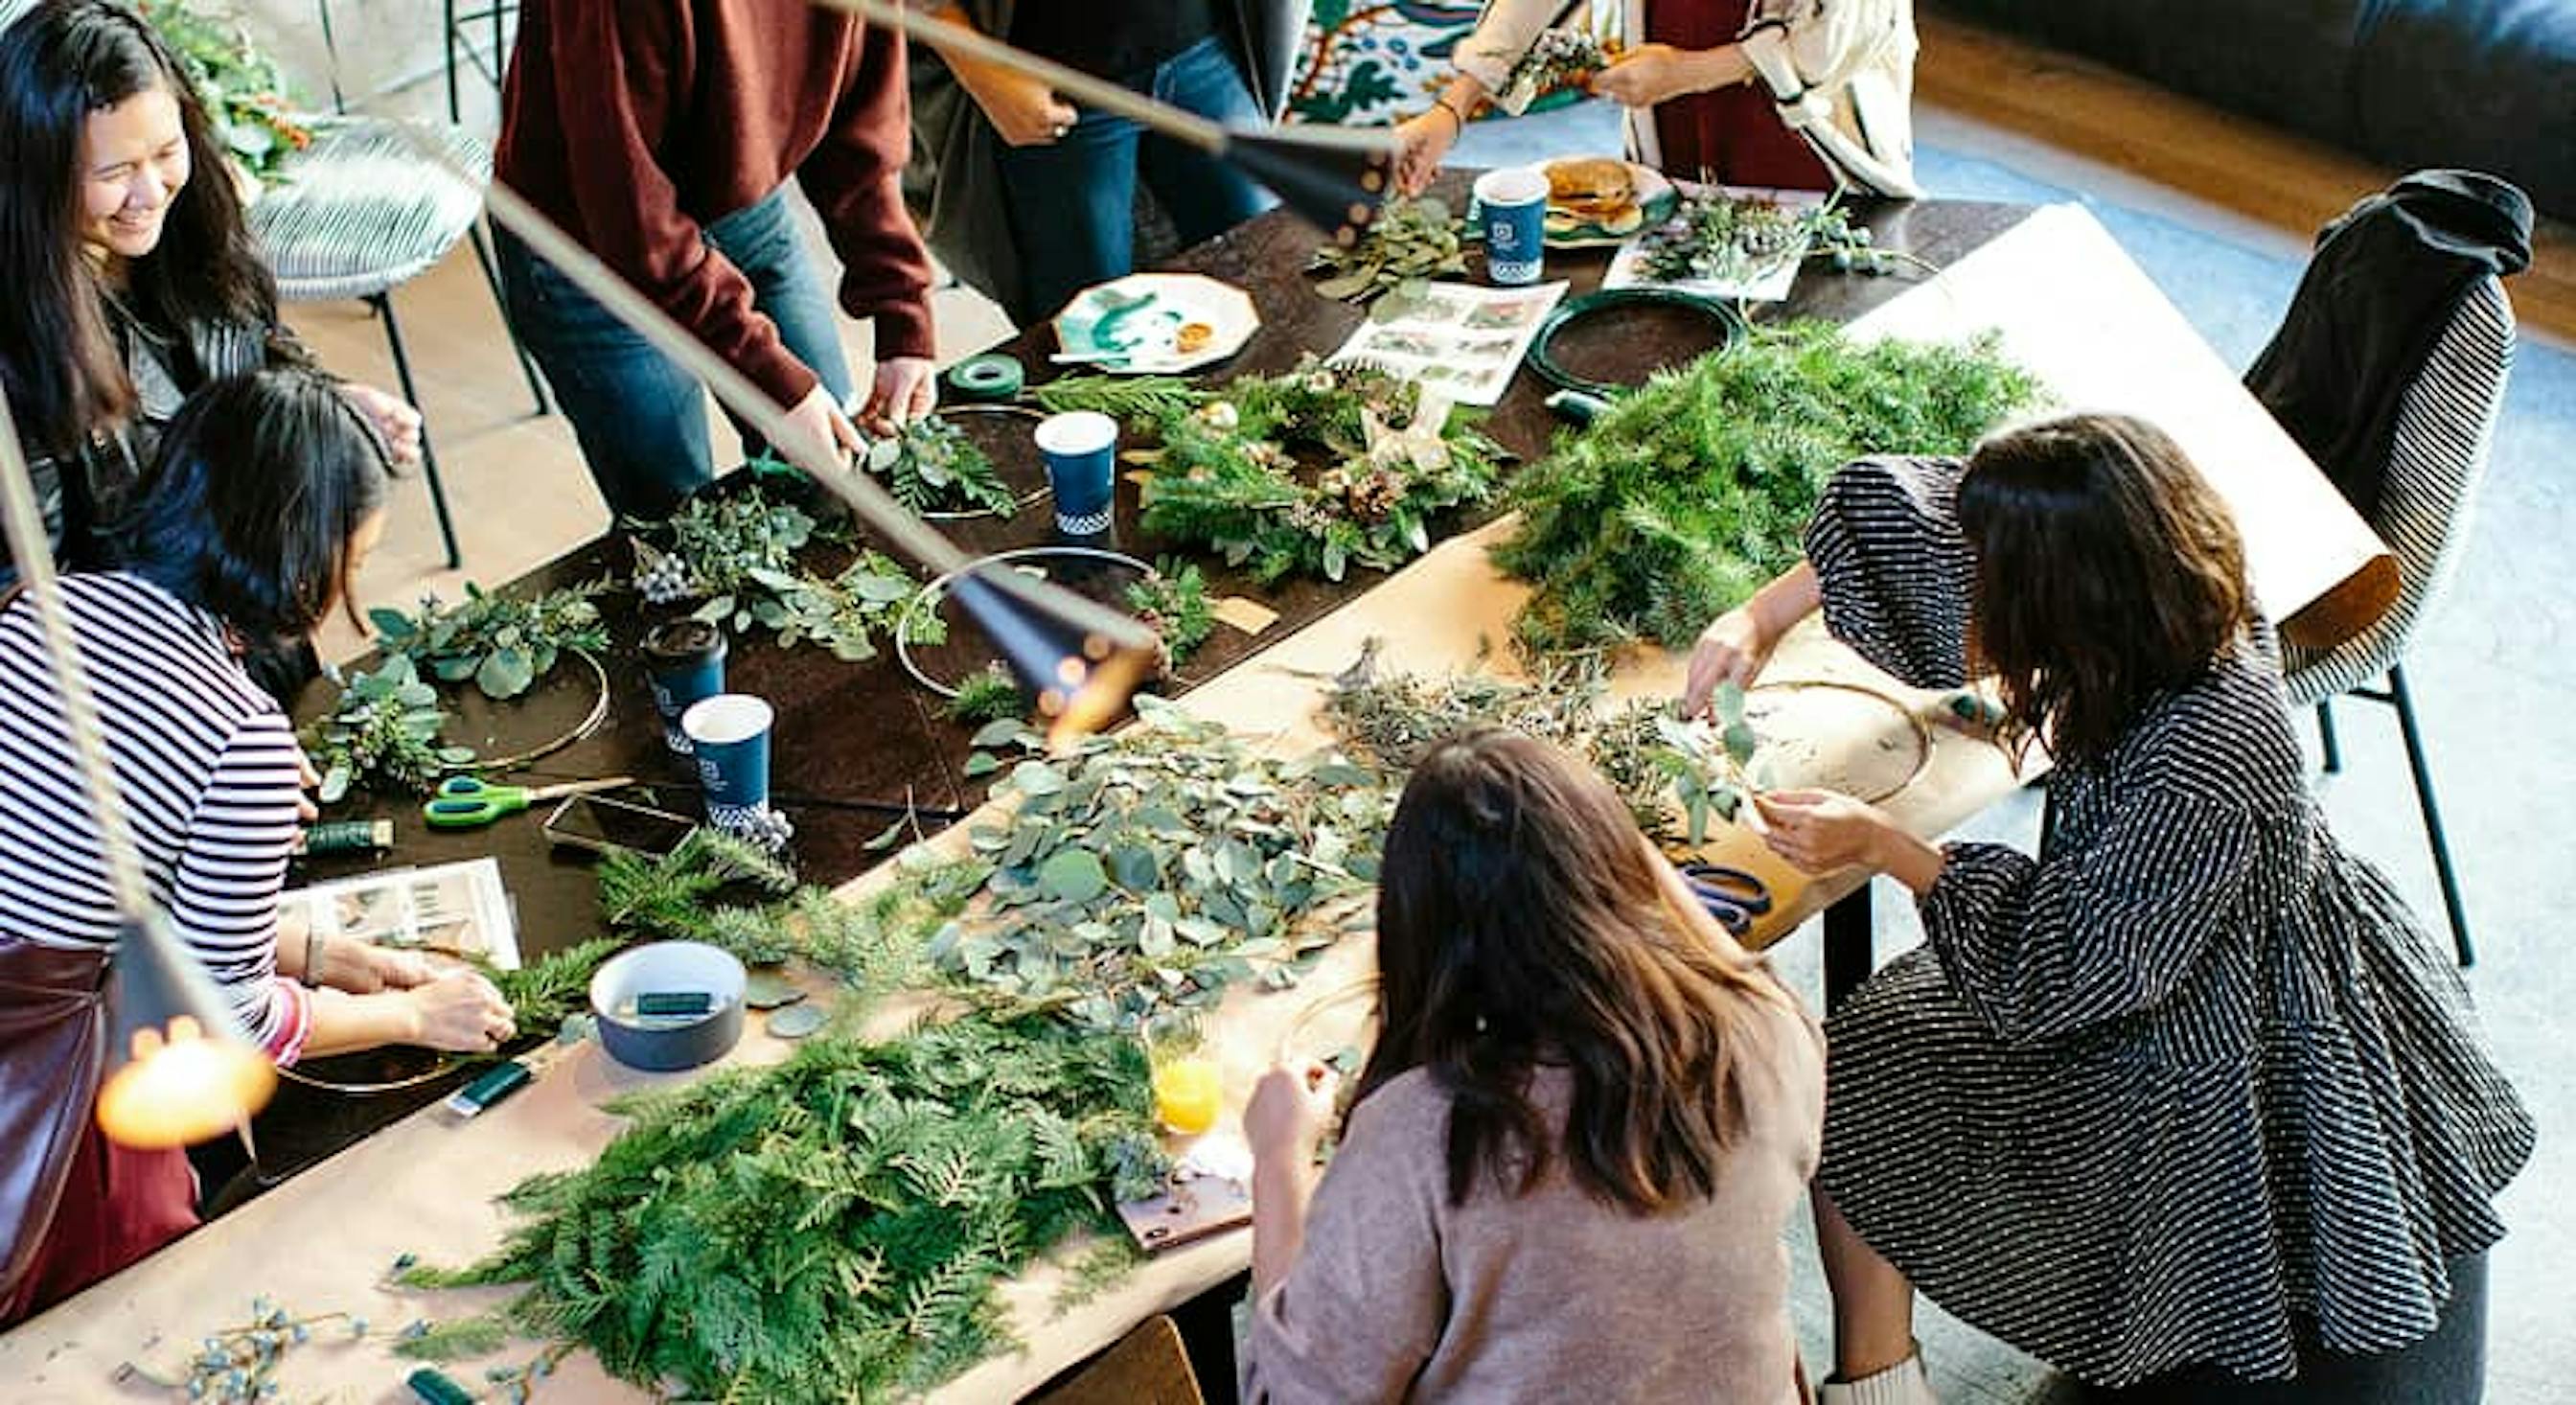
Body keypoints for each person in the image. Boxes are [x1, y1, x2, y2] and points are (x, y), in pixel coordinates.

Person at [1680, 415, 2532, 1401]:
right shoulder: (2168, 572)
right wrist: (1763, 613)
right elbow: (1924, 510)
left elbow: (2066, 974)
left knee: (1868, 1071)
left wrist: (1888, 847)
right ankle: (1885, 1372)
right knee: (1871, 1041)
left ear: (2066, 605)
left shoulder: (2205, 759)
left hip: (2194, 1006)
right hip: (2142, 919)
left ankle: (1881, 1383)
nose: (1976, 599)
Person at [0, 370, 517, 1328]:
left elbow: (96, 877)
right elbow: (232, 1020)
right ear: (304, 554)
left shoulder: (45, 609)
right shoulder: (239, 733)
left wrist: (332, 950)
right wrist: (414, 1012)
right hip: (54, 1102)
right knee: (112, 1326)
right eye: (354, 559)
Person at [1241, 729, 1825, 1403]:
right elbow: (1730, 967)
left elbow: (1293, 1395)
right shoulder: (1765, 1029)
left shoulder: (1423, 1135)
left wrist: (1278, 1160)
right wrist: (1588, 827)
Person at [0, 0, 422, 592]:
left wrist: (317, 405)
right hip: (135, 653)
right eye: (114, 172)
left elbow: (256, 348)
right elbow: (28, 597)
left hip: (243, 596)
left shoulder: (196, 227)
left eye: (167, 153)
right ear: (38, 175)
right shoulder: (20, 349)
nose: (150, 193)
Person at [494, 0, 941, 521]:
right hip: (588, 251)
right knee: (682, 521)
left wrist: (901, 306)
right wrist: (770, 384)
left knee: (835, 475)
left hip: (739, 202)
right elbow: (634, 221)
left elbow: (861, 122)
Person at [907, 0, 1304, 327]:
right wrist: (982, 70)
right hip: (1052, 83)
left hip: (1206, 51)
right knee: (1089, 331)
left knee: (1273, 284)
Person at [1392, 0, 1919, 197]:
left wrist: (1688, 71)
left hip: (1813, 146)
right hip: (1673, 142)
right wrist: (1452, 108)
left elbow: (1848, 24)